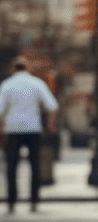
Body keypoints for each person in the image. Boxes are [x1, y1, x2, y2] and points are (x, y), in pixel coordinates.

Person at [0, 55, 59, 213]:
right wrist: (50, 126)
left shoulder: (7, 85)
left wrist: (1, 132)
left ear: (14, 68)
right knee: (35, 167)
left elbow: (0, 111)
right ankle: (34, 201)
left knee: (11, 167)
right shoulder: (36, 83)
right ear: (28, 68)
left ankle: (12, 201)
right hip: (33, 130)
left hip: (12, 130)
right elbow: (52, 106)